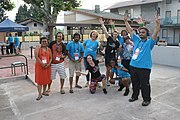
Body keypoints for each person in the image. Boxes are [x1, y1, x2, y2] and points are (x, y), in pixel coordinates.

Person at [124, 15, 160, 106]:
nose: (140, 33)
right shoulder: (137, 40)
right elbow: (130, 31)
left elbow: (156, 33)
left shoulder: (150, 43)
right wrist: (125, 22)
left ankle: (146, 99)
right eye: (139, 32)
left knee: (145, 85)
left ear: (147, 34)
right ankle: (134, 96)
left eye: (143, 32)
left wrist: (158, 24)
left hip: (144, 68)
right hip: (133, 66)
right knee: (135, 83)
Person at [99, 17, 120, 86]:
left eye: (116, 34)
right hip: (108, 55)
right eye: (114, 34)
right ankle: (107, 80)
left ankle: (112, 80)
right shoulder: (109, 38)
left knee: (113, 68)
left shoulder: (117, 43)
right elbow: (105, 31)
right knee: (108, 68)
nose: (115, 35)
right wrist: (102, 24)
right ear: (112, 34)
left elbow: (118, 50)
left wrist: (118, 57)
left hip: (113, 56)